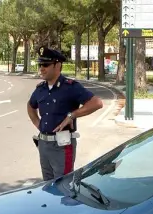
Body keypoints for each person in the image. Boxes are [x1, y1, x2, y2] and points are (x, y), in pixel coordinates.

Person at [27, 46, 103, 181]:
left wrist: (72, 116)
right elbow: (30, 105)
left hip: (62, 145)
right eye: (40, 65)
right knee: (47, 184)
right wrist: (38, 124)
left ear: (57, 65)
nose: (41, 68)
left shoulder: (70, 87)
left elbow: (96, 103)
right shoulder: (41, 88)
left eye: (45, 64)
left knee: (63, 185)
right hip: (43, 144)